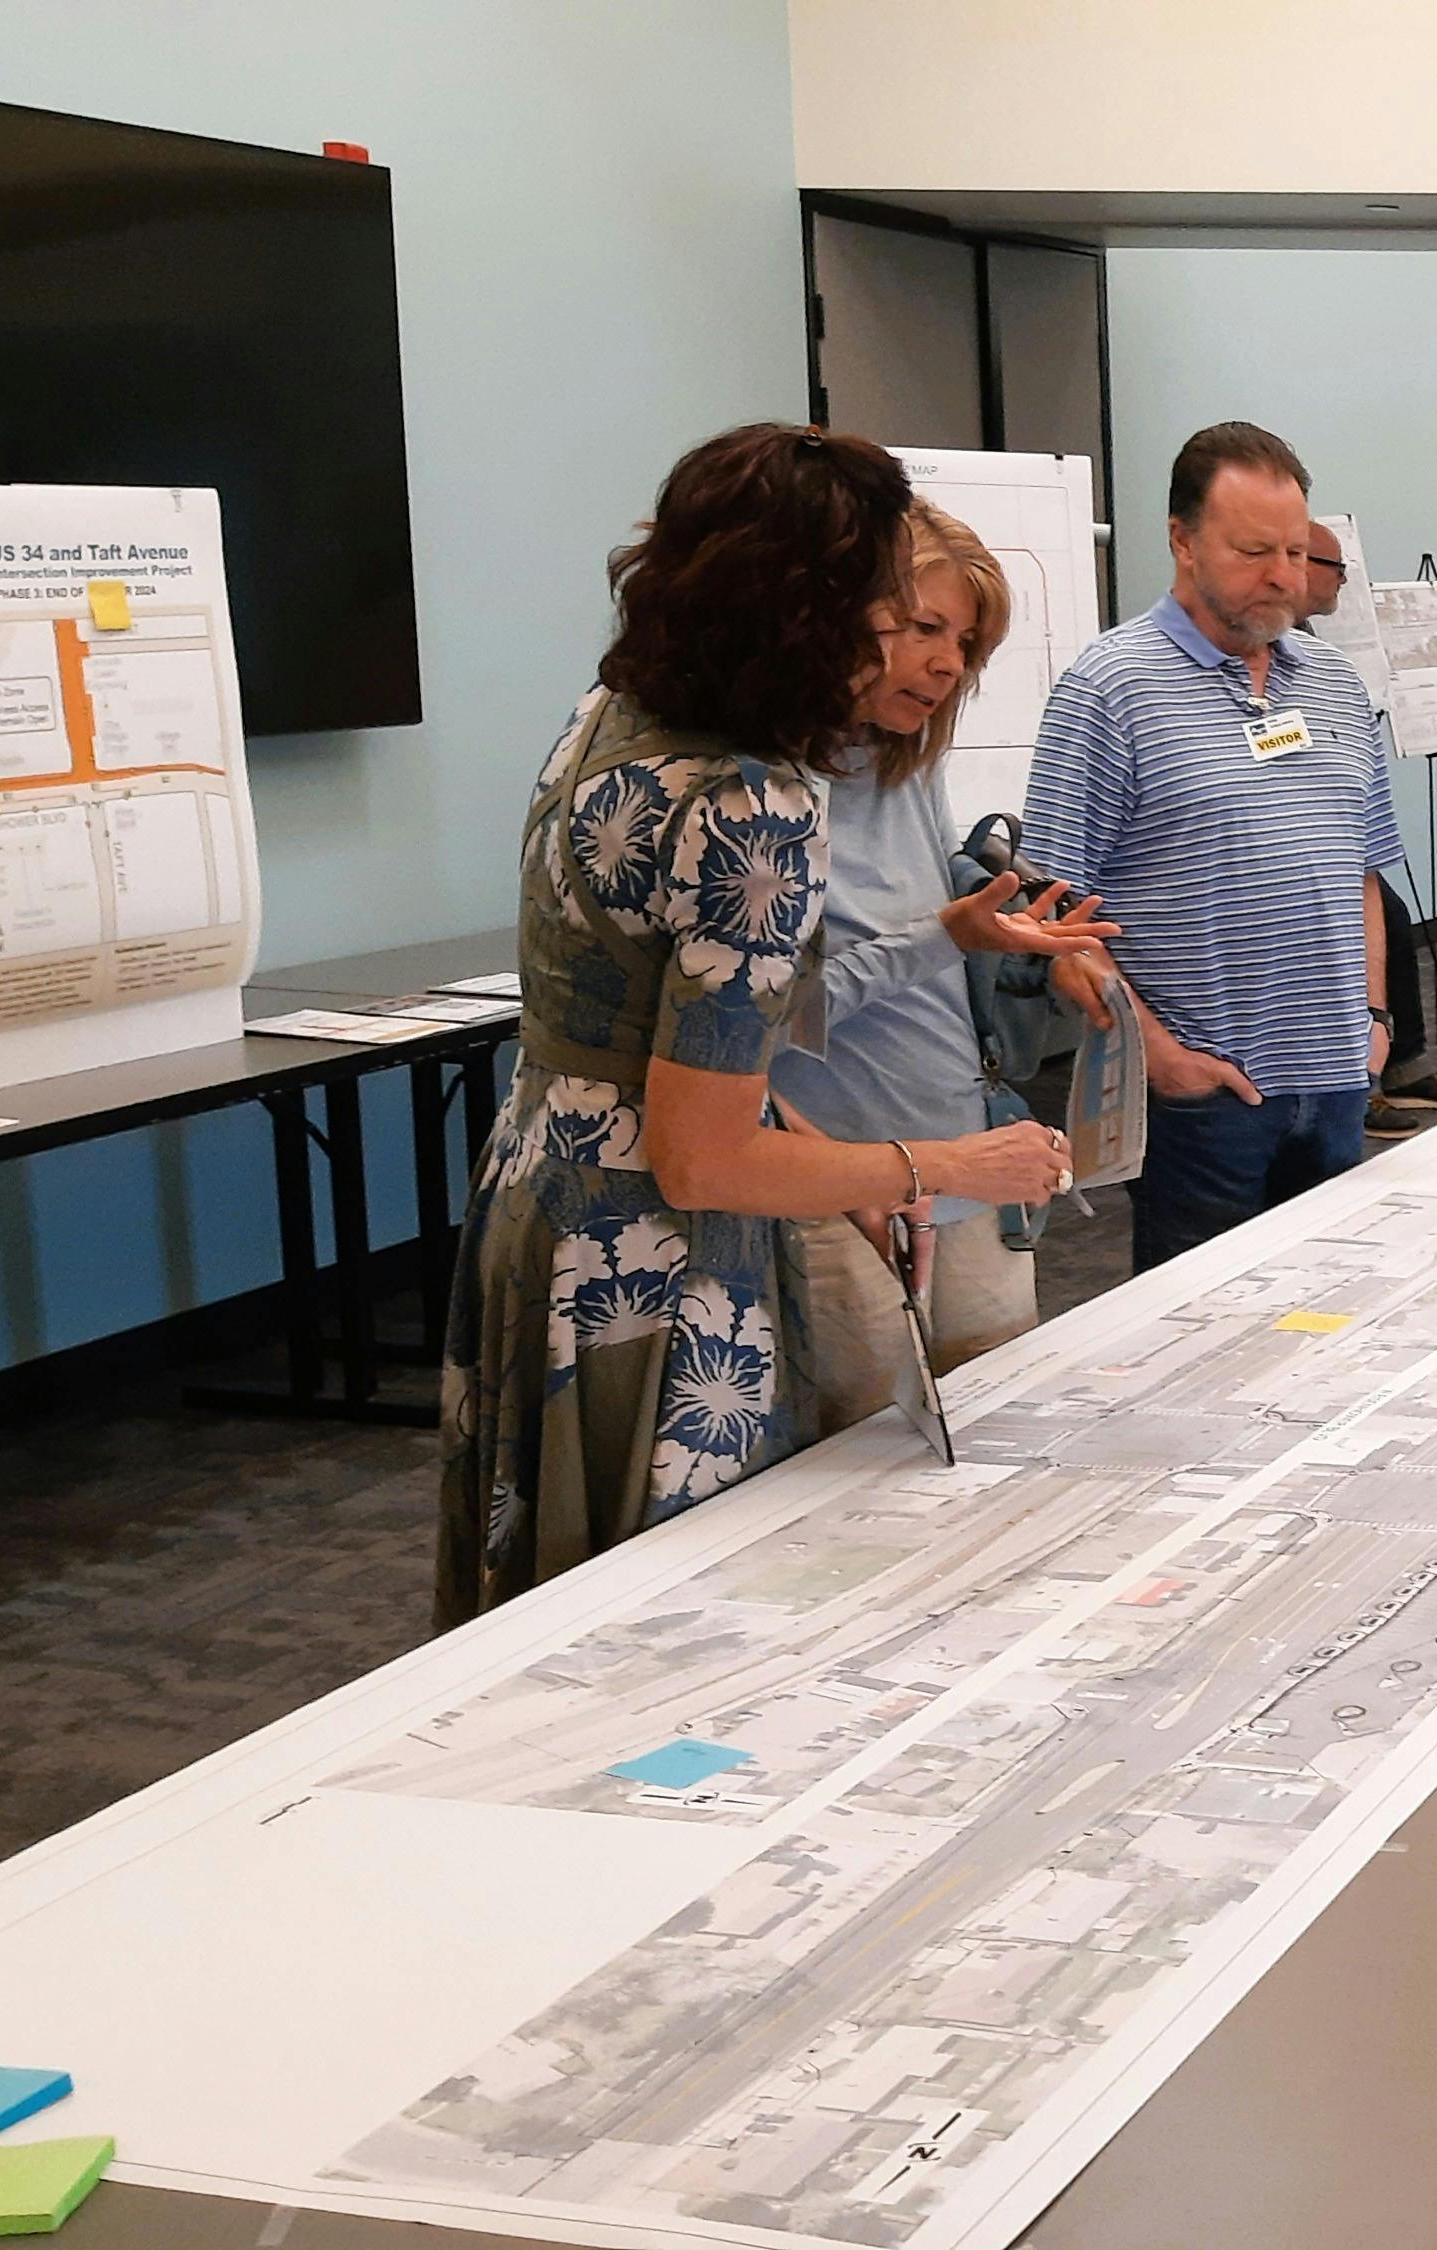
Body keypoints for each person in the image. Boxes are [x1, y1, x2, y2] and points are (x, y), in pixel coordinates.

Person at [440, 426, 1080, 1626]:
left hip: (544, 1197)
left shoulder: (611, 719)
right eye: (884, 604)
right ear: (810, 609)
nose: (908, 642)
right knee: (694, 1605)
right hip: (664, 1254)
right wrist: (951, 1166)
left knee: (563, 1599)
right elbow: (706, 1153)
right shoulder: (754, 803)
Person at [769, 500, 1117, 1434]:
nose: (947, 664)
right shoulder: (756, 788)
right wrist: (948, 937)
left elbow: (931, 937)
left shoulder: (904, 759)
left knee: (1001, 1425)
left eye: (965, 643)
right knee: (858, 1464)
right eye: (925, 628)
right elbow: (767, 1018)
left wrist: (1023, 949)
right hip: (839, 1183)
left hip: (967, 1160)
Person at [1025, 422, 1398, 1270]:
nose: (1283, 577)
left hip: (1336, 1082)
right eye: (1253, 550)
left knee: (1331, 1316)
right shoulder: (1108, 688)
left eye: (1297, 552)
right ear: (1182, 541)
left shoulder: (1334, 686)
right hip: (1205, 1100)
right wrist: (1163, 1061)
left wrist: (1372, 1022)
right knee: (1199, 1344)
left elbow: (1364, 871)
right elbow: (1049, 917)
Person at [1290, 517, 1437, 1140]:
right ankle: (1359, 1085)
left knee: (1391, 923)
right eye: (1333, 566)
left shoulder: (1314, 650)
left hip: (1334, 832)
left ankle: (1397, 1062)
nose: (1344, 580)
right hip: (1289, 843)